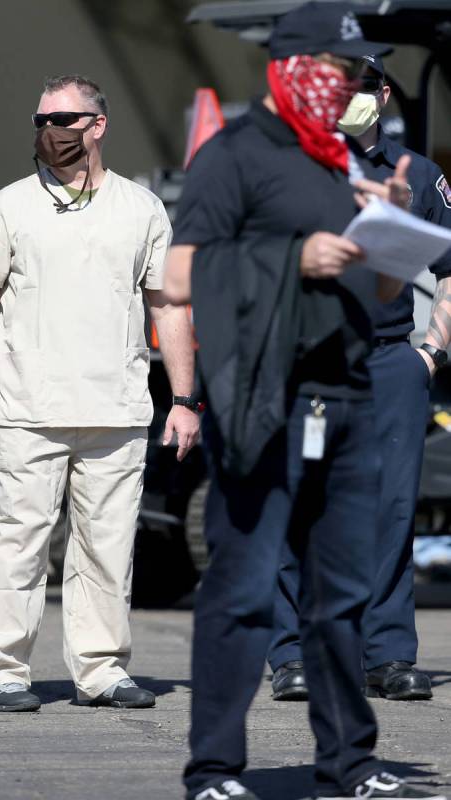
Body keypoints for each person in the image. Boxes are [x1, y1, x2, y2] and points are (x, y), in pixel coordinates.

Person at [164, 3, 447, 799]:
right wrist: (294, 256)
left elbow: (383, 284)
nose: (351, 86)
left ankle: (349, 763)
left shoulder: (344, 165)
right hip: (265, 401)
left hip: (350, 399)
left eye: (359, 74)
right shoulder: (235, 156)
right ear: (291, 69)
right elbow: (181, 275)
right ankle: (215, 770)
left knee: (343, 598)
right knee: (245, 591)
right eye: (338, 69)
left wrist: (389, 224)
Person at [0, 74, 200, 713]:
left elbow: (167, 306)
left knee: (109, 548)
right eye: (40, 120)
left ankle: (101, 670)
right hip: (30, 407)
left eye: (64, 118)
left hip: (116, 407)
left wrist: (185, 399)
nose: (49, 131)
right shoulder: (10, 205)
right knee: (18, 543)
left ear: (98, 125)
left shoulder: (141, 209)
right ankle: (2, 671)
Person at [269, 55, 451, 704]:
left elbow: (450, 266)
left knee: (393, 509)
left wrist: (431, 350)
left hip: (389, 361)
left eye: (360, 88)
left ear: (382, 95)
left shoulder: (418, 175)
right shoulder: (301, 165)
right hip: (311, 359)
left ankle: (387, 654)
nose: (349, 99)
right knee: (299, 502)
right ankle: (291, 653)